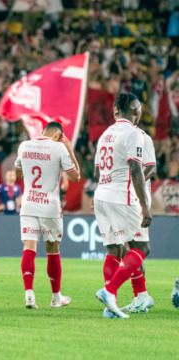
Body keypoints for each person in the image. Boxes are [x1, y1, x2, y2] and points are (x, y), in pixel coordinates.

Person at [94, 92, 152, 319]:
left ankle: (111, 306)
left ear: (116, 110)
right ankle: (109, 291)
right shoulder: (134, 134)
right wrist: (145, 206)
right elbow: (136, 170)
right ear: (137, 111)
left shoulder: (105, 135)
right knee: (141, 247)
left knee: (114, 249)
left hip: (101, 195)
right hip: (121, 196)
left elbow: (97, 171)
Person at [15, 122, 80, 309]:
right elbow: (76, 177)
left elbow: (18, 172)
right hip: (49, 206)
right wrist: (69, 149)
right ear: (59, 136)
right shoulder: (59, 147)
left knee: (29, 247)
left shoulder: (24, 145)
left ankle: (29, 295)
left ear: (43, 131)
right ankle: (55, 297)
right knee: (52, 250)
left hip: (28, 204)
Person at [117, 127, 156, 316]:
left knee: (137, 248)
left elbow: (151, 167)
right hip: (124, 198)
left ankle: (142, 297)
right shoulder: (124, 138)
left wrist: (132, 183)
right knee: (128, 247)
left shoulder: (143, 138)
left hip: (136, 200)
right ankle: (140, 296)